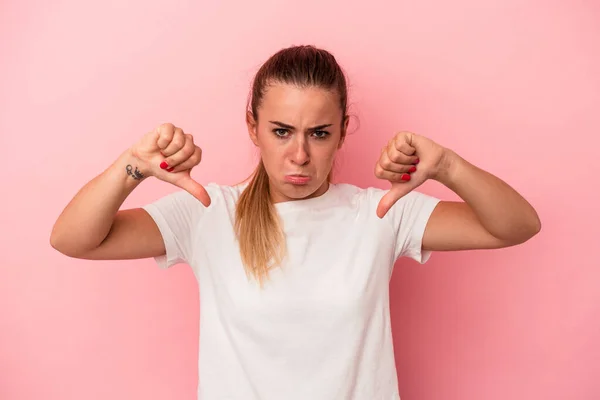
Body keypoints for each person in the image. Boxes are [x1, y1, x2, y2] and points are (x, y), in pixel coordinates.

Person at [50, 45, 541, 400]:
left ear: (343, 131)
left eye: (319, 134)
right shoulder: (207, 212)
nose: (299, 155)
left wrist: (448, 166)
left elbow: (516, 225)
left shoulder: (382, 213)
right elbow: (73, 239)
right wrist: (132, 165)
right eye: (281, 131)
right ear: (253, 127)